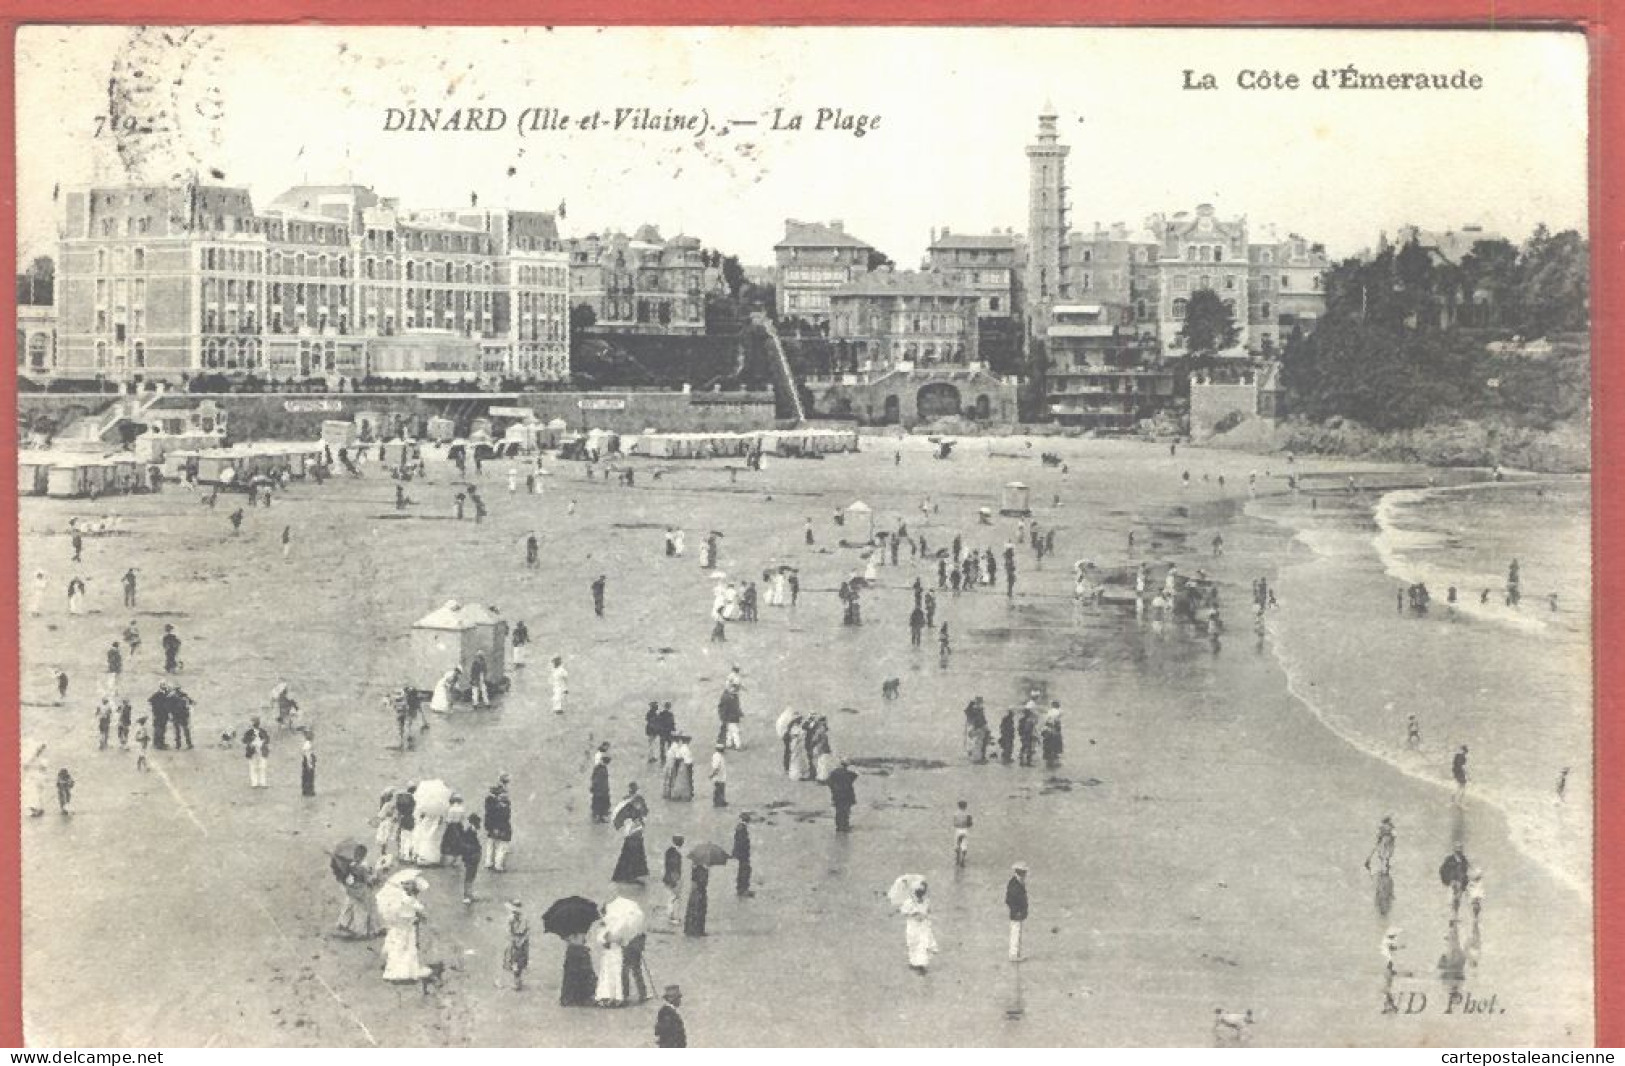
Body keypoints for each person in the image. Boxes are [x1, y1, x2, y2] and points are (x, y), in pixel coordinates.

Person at [380, 878, 433, 990]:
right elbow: (418, 910)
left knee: (404, 947)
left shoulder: (407, 898)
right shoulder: (406, 899)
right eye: (405, 883)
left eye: (409, 884)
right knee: (403, 947)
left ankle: (400, 969)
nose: (406, 886)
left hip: (406, 927)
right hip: (403, 927)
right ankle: (401, 971)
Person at [333, 844, 381, 940]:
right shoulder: (362, 868)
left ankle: (344, 923)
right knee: (362, 910)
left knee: (349, 906)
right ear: (364, 856)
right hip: (361, 891)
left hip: (351, 889)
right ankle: (362, 931)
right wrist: (376, 876)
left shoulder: (350, 865)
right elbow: (368, 880)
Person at [611, 788, 650, 883]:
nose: (639, 806)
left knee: (633, 856)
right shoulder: (629, 812)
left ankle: (632, 874)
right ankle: (629, 875)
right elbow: (630, 827)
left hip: (636, 837)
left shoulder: (635, 810)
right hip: (632, 837)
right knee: (631, 856)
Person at [901, 882, 937, 974]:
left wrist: (926, 916)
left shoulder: (926, 901)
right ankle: (914, 963)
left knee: (923, 944)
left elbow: (929, 911)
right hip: (912, 925)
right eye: (919, 890)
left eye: (923, 891)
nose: (921, 893)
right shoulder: (909, 902)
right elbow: (904, 912)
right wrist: (914, 913)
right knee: (913, 943)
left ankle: (922, 965)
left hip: (923, 926)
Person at [560, 931, 597, 1007]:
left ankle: (580, 997)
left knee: (582, 974)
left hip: (580, 949)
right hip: (574, 950)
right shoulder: (570, 928)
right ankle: (573, 997)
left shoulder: (583, 928)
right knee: (573, 975)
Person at [484, 777, 514, 871]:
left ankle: (488, 862)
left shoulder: (491, 804)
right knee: (502, 846)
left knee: (491, 844)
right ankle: (498, 865)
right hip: (502, 828)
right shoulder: (503, 808)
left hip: (492, 827)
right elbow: (505, 818)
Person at [456, 813, 484, 903]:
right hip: (471, 857)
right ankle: (467, 896)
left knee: (471, 876)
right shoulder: (469, 833)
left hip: (472, 857)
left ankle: (469, 894)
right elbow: (465, 846)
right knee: (469, 876)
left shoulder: (471, 832)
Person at [503, 900, 531, 991]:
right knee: (514, 961)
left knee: (521, 962)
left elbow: (527, 931)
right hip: (514, 942)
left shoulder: (524, 919)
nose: (516, 914)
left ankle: (518, 980)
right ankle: (517, 981)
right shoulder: (510, 919)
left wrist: (522, 941)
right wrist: (514, 940)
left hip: (522, 942)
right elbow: (508, 931)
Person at [827, 760, 858, 833]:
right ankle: (845, 826)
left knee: (838, 811)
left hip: (837, 795)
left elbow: (829, 782)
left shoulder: (833, 773)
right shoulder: (849, 773)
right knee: (846, 812)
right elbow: (855, 776)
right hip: (847, 795)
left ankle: (838, 826)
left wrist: (833, 788)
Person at [1007, 863, 1030, 961]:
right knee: (1015, 932)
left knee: (1017, 932)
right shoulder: (1015, 884)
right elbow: (1010, 899)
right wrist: (1017, 910)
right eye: (1024, 872)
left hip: (1018, 912)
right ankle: (1013, 954)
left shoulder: (1016, 882)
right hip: (1016, 913)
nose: (1025, 874)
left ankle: (1016, 953)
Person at [1440, 844, 1471, 913]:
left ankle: (1455, 913)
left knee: (1458, 898)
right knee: (1451, 897)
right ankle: (1451, 913)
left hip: (1461, 881)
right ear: (1454, 850)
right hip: (1452, 880)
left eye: (1460, 849)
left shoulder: (1464, 859)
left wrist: (1465, 882)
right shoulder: (1449, 859)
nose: (1458, 851)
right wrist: (1446, 879)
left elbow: (1467, 870)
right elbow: (1442, 870)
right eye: (1457, 849)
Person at [663, 835, 686, 925]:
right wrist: (676, 881)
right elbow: (675, 868)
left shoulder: (669, 851)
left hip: (668, 877)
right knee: (674, 898)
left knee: (671, 898)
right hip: (673, 879)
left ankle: (671, 916)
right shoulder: (676, 854)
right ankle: (672, 917)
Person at [242, 717, 270, 788]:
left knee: (262, 766)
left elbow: (267, 739)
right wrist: (251, 743)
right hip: (252, 750)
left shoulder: (263, 731)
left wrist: (263, 741)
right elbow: (244, 740)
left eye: (254, 722)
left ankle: (262, 782)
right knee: (253, 766)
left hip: (261, 750)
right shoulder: (248, 732)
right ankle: (254, 782)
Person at [684, 862, 709, 936]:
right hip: (699, 894)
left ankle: (695, 930)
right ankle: (696, 930)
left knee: (698, 912)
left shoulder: (697, 869)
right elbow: (699, 883)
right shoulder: (700, 870)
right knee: (698, 912)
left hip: (699, 894)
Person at [733, 813, 754, 897]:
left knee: (742, 870)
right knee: (745, 870)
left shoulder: (739, 828)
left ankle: (740, 889)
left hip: (740, 854)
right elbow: (742, 843)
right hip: (743, 854)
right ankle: (743, 890)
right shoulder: (742, 829)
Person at [590, 753, 613, 823]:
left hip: (600, 790)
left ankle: (600, 816)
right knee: (600, 803)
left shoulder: (599, 768)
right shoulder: (601, 769)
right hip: (601, 790)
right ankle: (599, 817)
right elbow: (597, 780)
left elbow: (593, 778)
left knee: (599, 803)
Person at [953, 801, 973, 867]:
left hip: (958, 830)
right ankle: (963, 859)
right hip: (965, 830)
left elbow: (955, 824)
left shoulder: (955, 814)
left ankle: (957, 859)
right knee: (964, 845)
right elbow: (970, 824)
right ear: (966, 806)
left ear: (958, 806)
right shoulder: (968, 814)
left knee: (957, 844)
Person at [300, 733, 317, 797]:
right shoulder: (308, 745)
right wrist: (309, 764)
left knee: (306, 776)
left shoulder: (307, 744)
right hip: (308, 762)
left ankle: (306, 790)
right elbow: (308, 755)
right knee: (309, 776)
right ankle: (309, 791)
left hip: (306, 761)